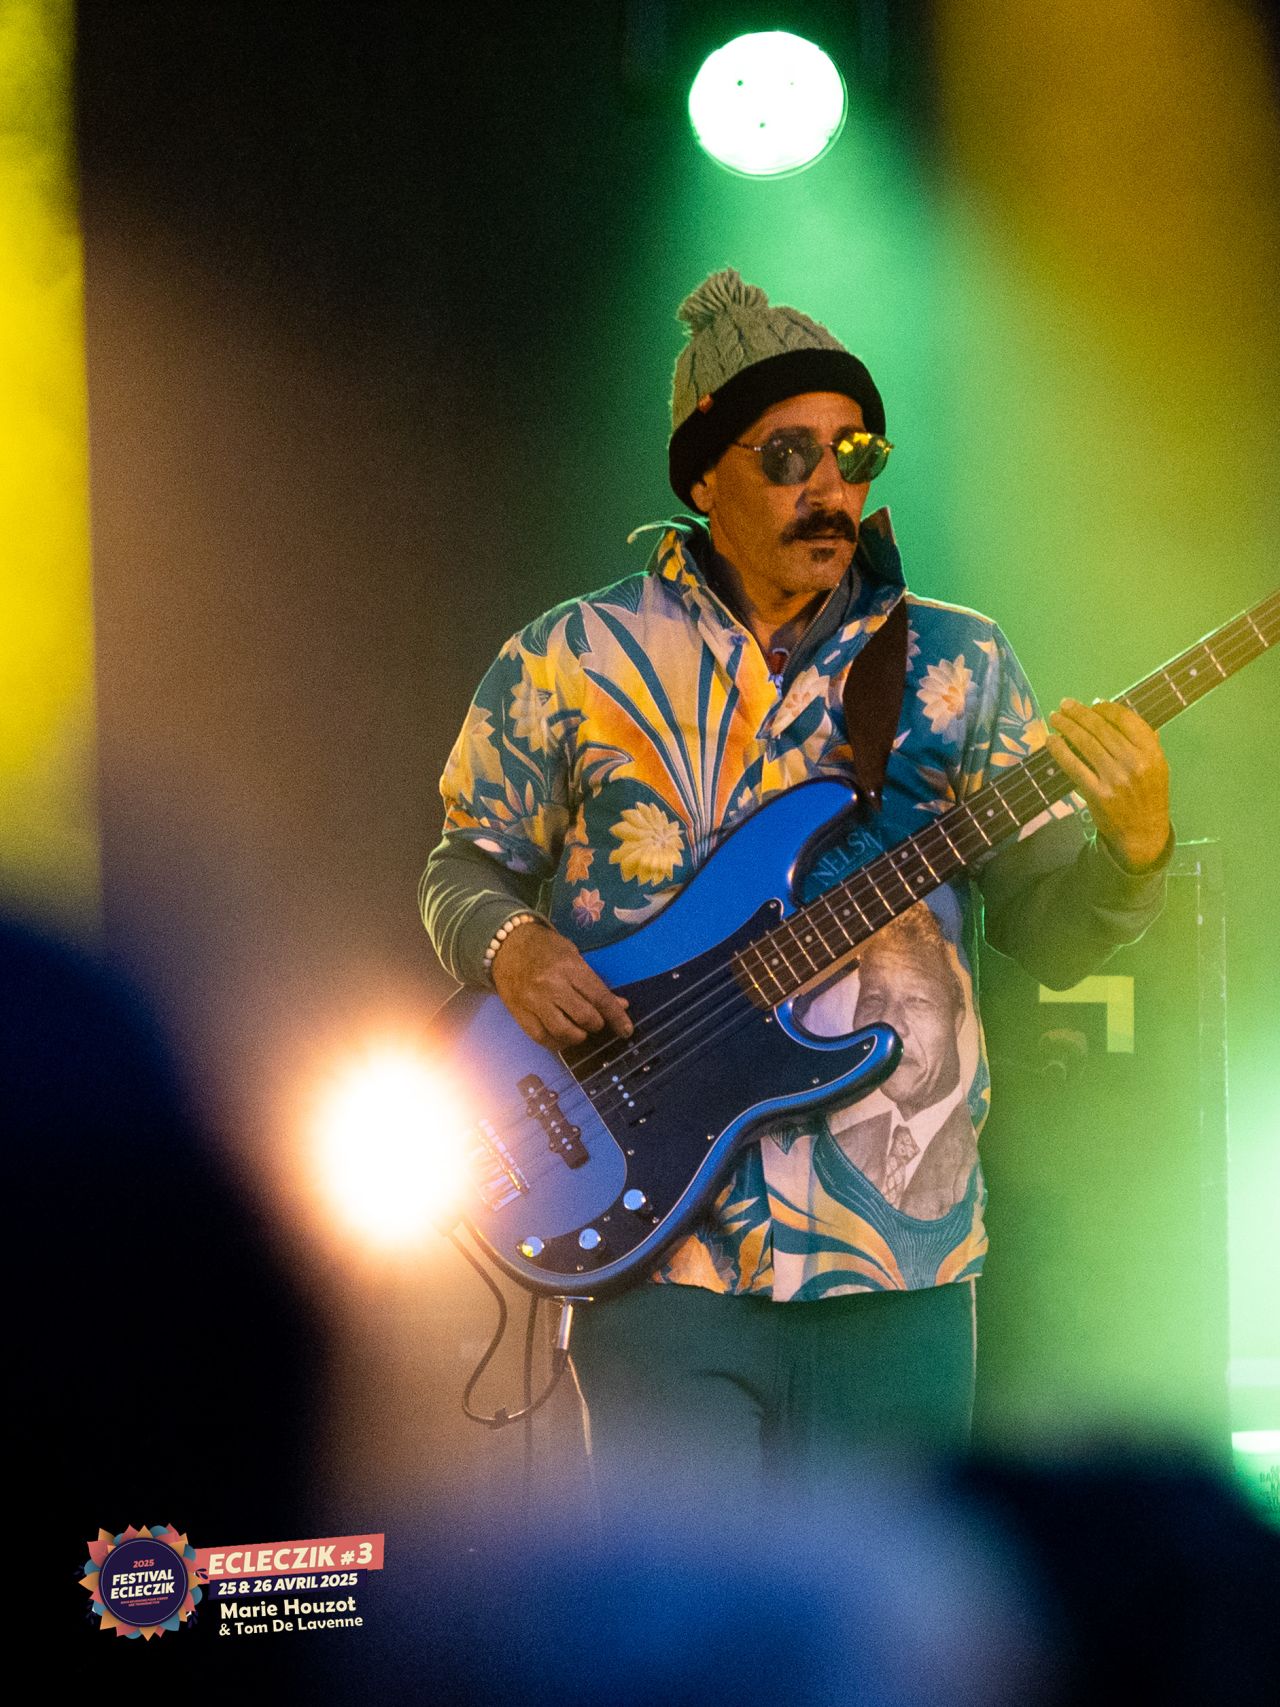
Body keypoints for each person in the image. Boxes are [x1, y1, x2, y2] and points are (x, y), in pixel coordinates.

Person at [417, 268, 1173, 1507]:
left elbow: (1050, 929)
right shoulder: (572, 656)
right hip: (659, 1253)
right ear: (703, 476)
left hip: (901, 1253)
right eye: (787, 456)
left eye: (854, 452)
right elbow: (463, 865)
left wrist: (1130, 854)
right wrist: (511, 946)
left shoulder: (959, 662)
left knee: (886, 1607)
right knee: (682, 1609)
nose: (830, 487)